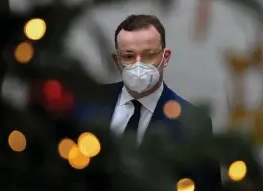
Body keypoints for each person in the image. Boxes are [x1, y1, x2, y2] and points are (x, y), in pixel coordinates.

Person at [72, 14, 222, 191]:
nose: (138, 65)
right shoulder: (87, 104)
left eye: (148, 55)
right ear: (116, 60)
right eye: (128, 56)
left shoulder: (193, 123)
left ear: (165, 57)